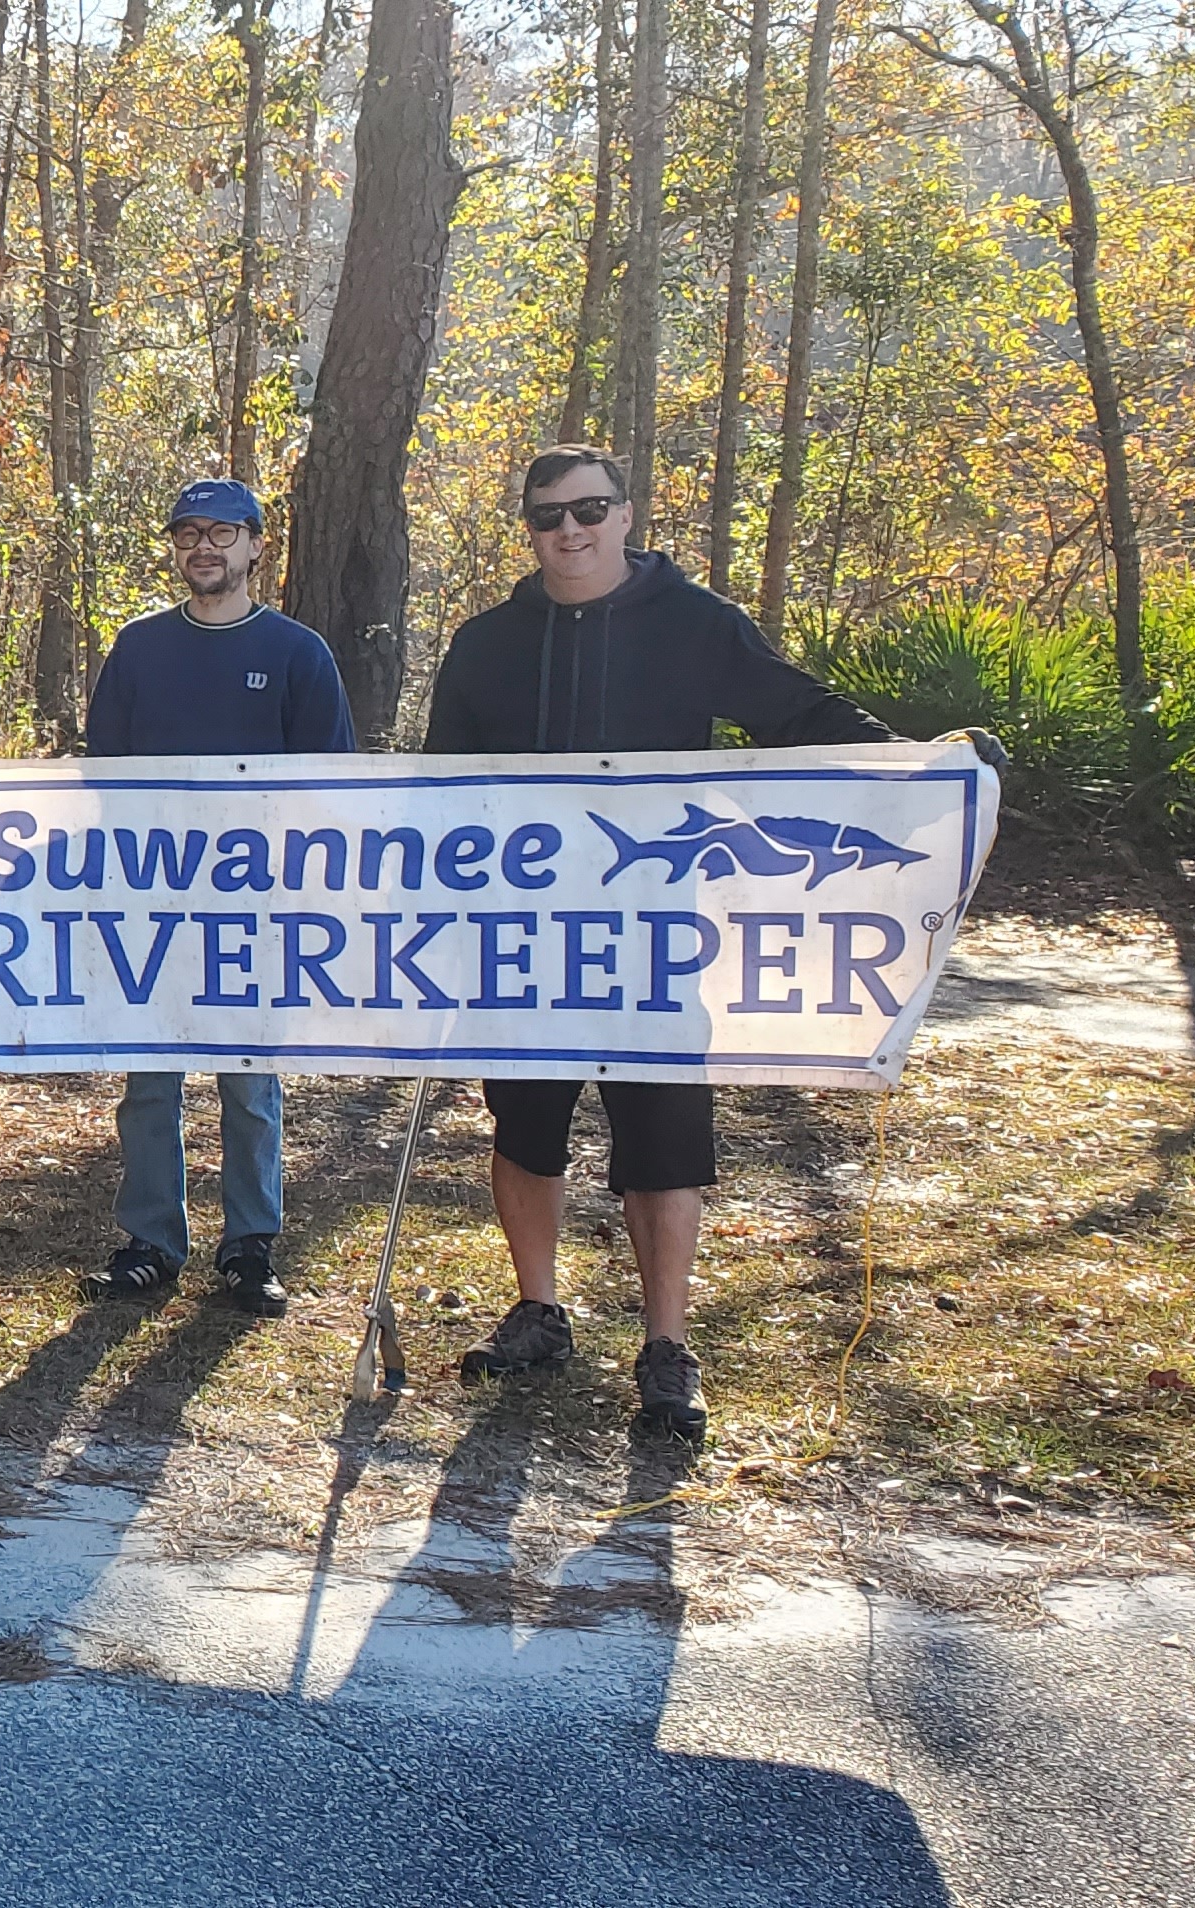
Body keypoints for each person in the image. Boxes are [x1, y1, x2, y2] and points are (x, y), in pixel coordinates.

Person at [421, 444, 898, 1439]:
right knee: (524, 1127)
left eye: (589, 508)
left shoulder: (696, 624)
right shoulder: (486, 644)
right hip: (527, 933)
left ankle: (667, 1347)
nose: (571, 530)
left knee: (664, 1144)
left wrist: (909, 761)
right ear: (529, 529)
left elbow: (798, 712)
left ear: (627, 513)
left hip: (659, 936)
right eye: (548, 516)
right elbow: (439, 790)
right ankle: (538, 1310)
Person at [77, 479, 358, 1317]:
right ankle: (151, 1243)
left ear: (255, 546)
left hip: (258, 908)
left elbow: (329, 786)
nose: (205, 547)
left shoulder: (299, 653)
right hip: (153, 904)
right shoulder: (138, 649)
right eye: (188, 533)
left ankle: (250, 1245)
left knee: (249, 1082)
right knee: (150, 1085)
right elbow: (103, 780)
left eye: (223, 532)